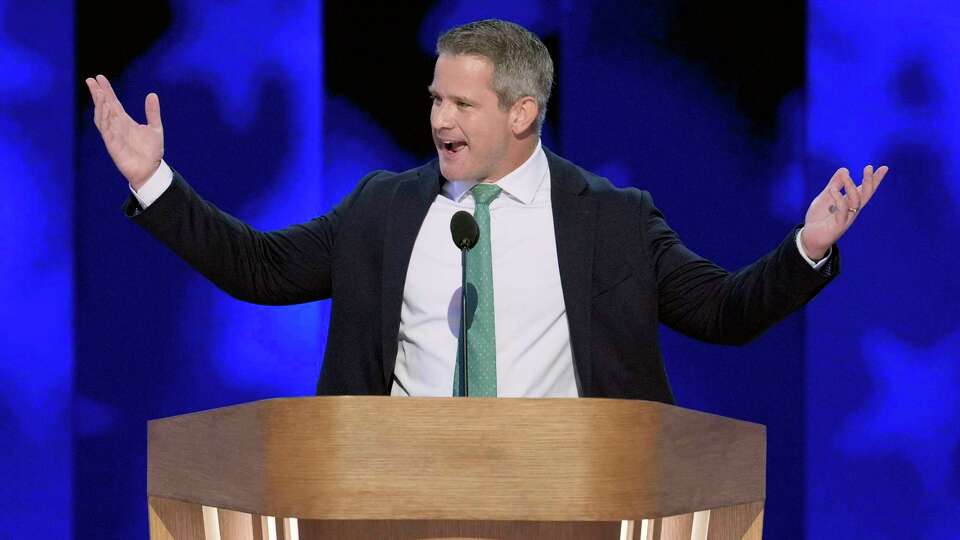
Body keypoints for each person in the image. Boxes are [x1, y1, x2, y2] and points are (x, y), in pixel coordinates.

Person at [84, 19, 887, 403]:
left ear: (522, 112)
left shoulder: (611, 220)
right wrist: (156, 182)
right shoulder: (384, 208)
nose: (438, 121)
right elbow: (257, 267)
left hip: (571, 502)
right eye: (435, 98)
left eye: (462, 104)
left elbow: (723, 312)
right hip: (399, 503)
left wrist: (806, 248)